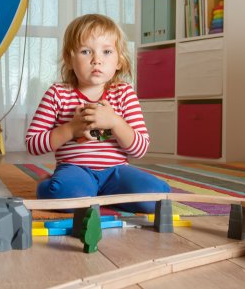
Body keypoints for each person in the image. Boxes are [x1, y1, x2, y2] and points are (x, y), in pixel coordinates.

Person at [25, 14, 170, 213]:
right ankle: (49, 185)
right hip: (76, 169)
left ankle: (98, 195)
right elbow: (33, 144)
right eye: (86, 51)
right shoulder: (57, 94)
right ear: (69, 59)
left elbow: (140, 149)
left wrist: (115, 122)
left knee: (158, 197)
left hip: (116, 172)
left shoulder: (124, 93)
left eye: (107, 51)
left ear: (119, 61)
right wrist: (71, 129)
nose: (97, 60)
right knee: (67, 197)